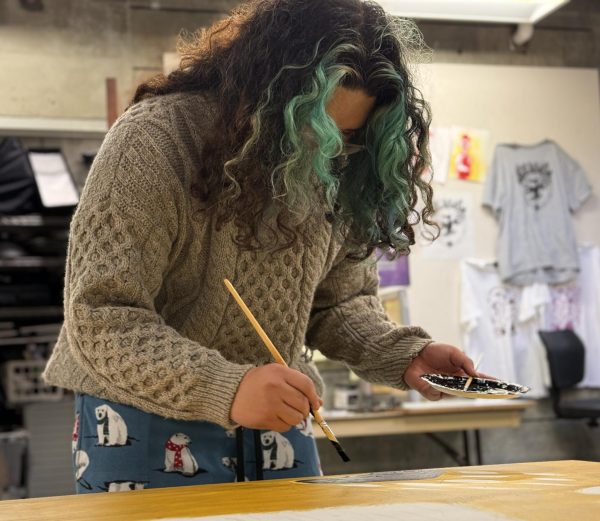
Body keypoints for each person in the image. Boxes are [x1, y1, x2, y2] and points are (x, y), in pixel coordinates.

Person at [43, 0, 479, 493]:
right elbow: (101, 316)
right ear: (264, 95)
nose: (330, 152)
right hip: (143, 418)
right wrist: (227, 387)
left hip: (274, 415)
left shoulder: (343, 165)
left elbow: (337, 303)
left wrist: (402, 355)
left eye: (350, 135)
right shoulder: (154, 142)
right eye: (312, 127)